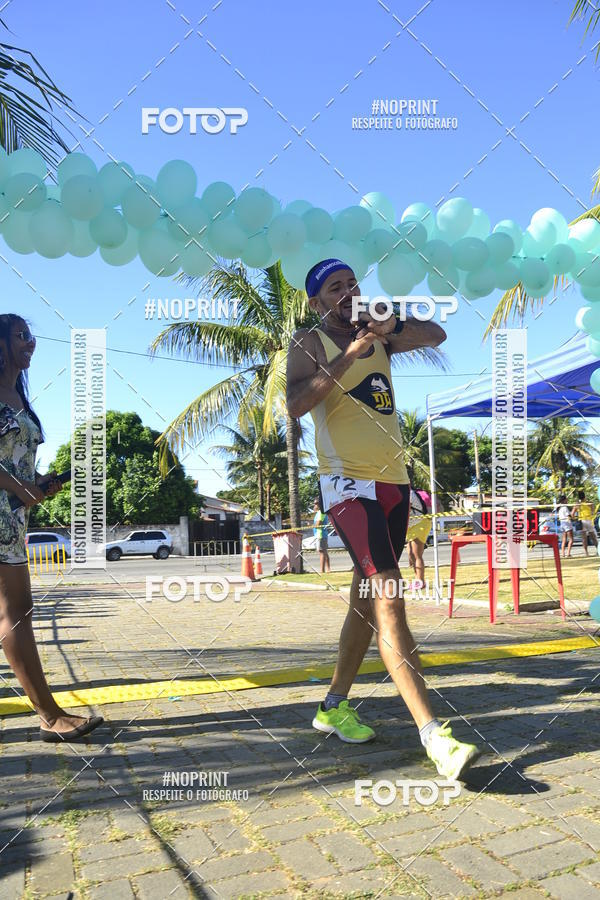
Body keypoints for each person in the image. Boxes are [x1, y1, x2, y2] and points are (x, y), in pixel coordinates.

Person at [286, 258, 480, 781]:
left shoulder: (379, 330)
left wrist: (390, 327)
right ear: (316, 301)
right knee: (390, 598)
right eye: (335, 287)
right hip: (348, 485)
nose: (347, 292)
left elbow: (437, 333)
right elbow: (296, 404)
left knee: (367, 603)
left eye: (352, 283)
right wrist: (348, 355)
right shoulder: (309, 342)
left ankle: (332, 706)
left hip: (394, 484)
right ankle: (434, 736)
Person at [0, 314, 103, 742]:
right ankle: (49, 716)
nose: (32, 342)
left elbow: (19, 465)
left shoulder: (18, 395)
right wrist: (17, 485)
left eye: (32, 335)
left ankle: (49, 714)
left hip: (11, 518)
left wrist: (40, 486)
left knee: (15, 613)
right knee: (14, 615)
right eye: (22, 335)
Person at [407, 488, 433, 591]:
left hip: (420, 523)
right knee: (411, 553)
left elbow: (405, 510)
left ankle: (420, 582)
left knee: (416, 554)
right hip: (413, 525)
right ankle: (417, 580)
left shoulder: (408, 493)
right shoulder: (405, 492)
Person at [572, 489, 598, 556]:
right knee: (593, 537)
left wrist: (575, 518)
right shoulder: (589, 503)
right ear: (584, 496)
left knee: (584, 538)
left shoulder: (577, 504)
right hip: (589, 520)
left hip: (582, 521)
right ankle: (598, 550)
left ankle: (586, 553)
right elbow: (593, 511)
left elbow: (572, 514)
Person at [313, 498, 331, 573]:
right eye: (314, 503)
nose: (315, 505)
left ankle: (322, 570)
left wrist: (313, 525)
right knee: (324, 552)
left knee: (321, 552)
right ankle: (328, 569)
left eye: (316, 503)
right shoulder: (319, 513)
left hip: (320, 535)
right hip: (321, 535)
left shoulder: (321, 513)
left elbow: (318, 524)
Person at [557, 494, 573, 559]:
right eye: (566, 499)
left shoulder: (560, 508)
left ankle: (563, 554)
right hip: (566, 523)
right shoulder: (565, 508)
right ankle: (568, 553)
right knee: (571, 539)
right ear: (564, 500)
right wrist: (572, 515)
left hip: (562, 524)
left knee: (564, 540)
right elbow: (569, 516)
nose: (567, 500)